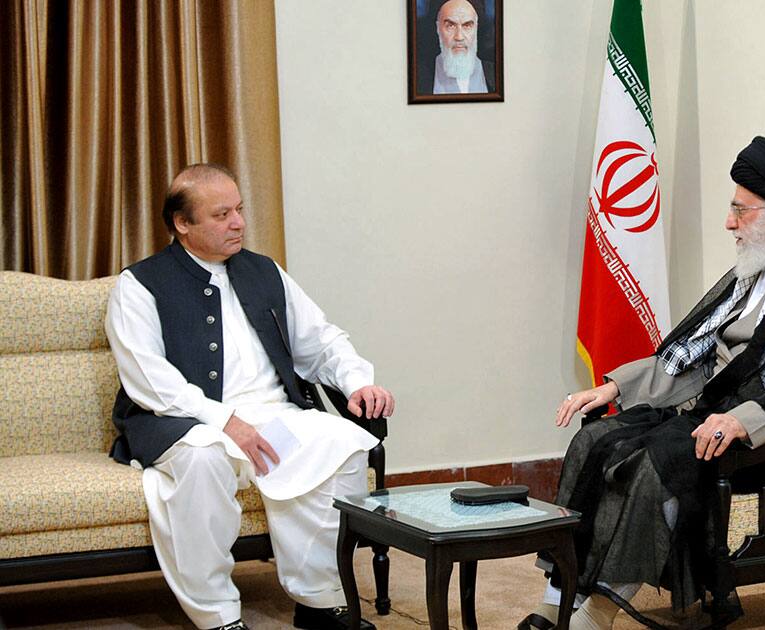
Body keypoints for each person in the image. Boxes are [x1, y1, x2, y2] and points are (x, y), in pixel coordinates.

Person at [520, 137, 765, 630]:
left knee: (652, 466)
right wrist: (617, 388)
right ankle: (555, 600)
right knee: (594, 440)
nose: (729, 222)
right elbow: (696, 353)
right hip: (707, 414)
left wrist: (739, 420)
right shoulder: (752, 273)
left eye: (739, 210)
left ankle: (595, 618)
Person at [106, 163, 394, 630]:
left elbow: (320, 340)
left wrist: (357, 380)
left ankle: (320, 600)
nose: (238, 222)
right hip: (185, 421)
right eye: (221, 215)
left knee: (343, 442)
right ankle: (217, 614)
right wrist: (225, 421)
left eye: (239, 210)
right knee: (203, 462)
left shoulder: (265, 271)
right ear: (183, 223)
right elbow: (149, 379)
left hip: (275, 416)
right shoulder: (138, 285)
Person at [419, 0, 495, 95]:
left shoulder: (496, 73)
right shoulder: (418, 77)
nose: (459, 37)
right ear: (438, 28)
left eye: (467, 25)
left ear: (476, 28)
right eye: (450, 26)